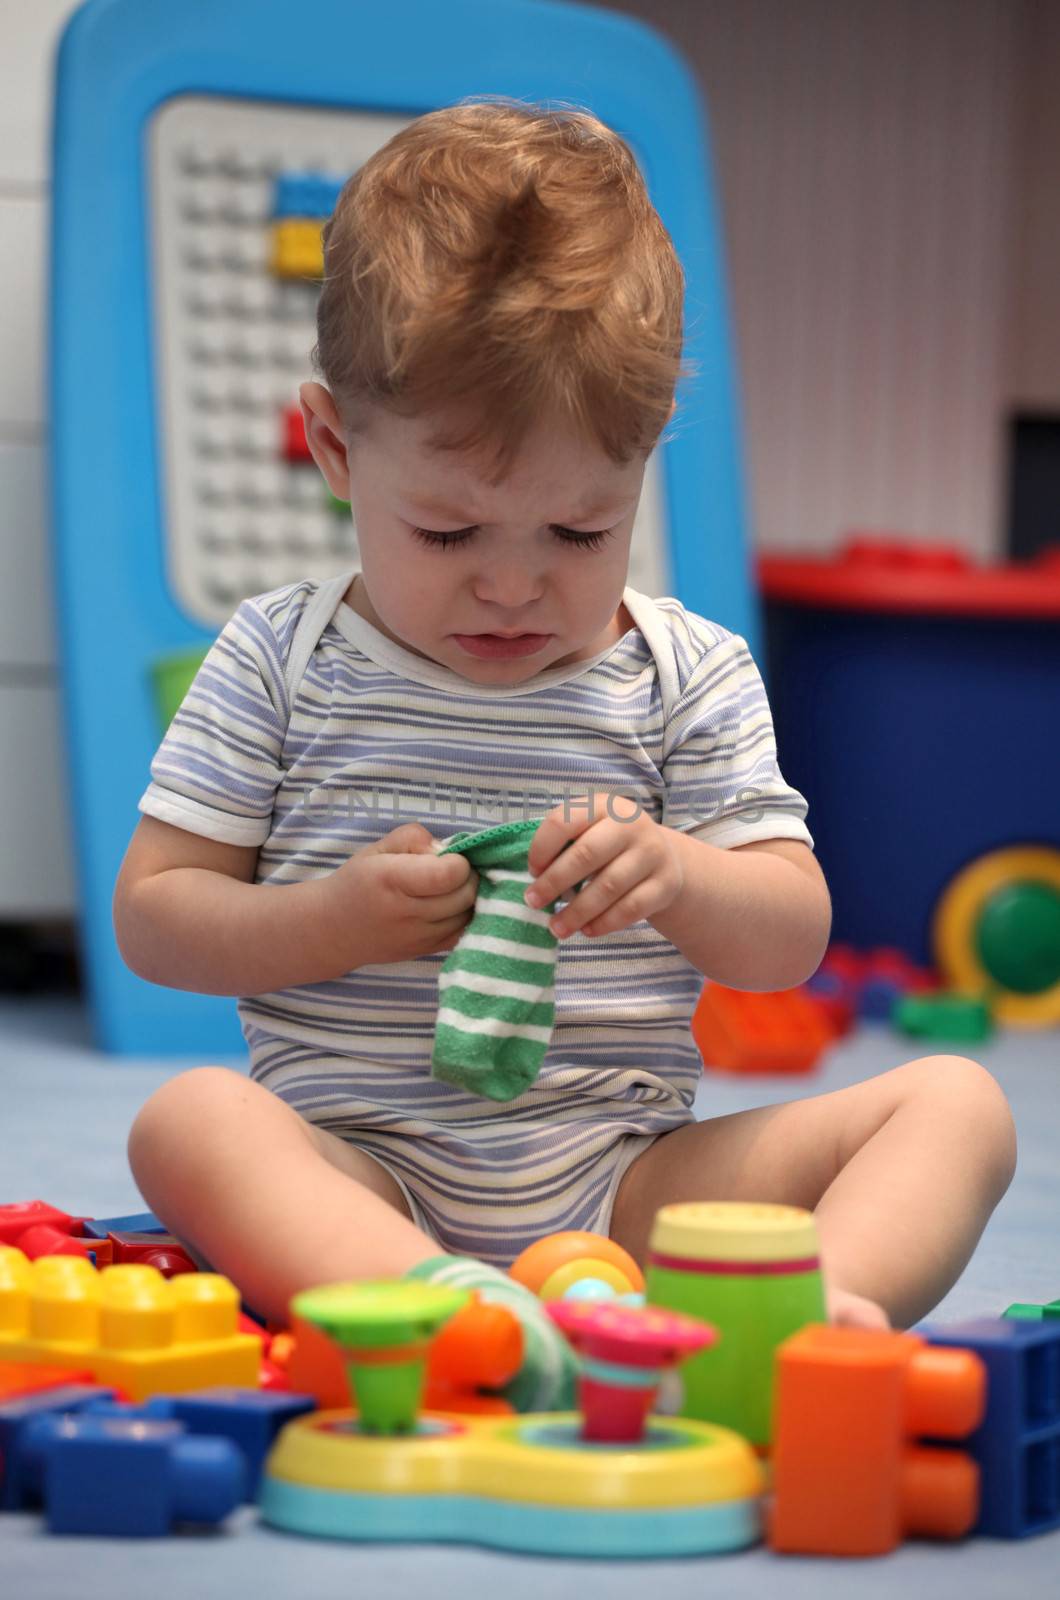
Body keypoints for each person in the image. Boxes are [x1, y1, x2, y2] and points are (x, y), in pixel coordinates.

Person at [114, 97, 1016, 1412]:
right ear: (334, 451)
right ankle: (441, 1309)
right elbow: (156, 918)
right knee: (186, 1125)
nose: (512, 589)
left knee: (956, 1105)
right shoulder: (279, 660)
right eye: (447, 534)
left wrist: (683, 878)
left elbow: (789, 938)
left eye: (581, 534)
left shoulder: (684, 673)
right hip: (364, 1171)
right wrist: (331, 920)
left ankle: (802, 1332)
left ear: (640, 471)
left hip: (631, 1184)